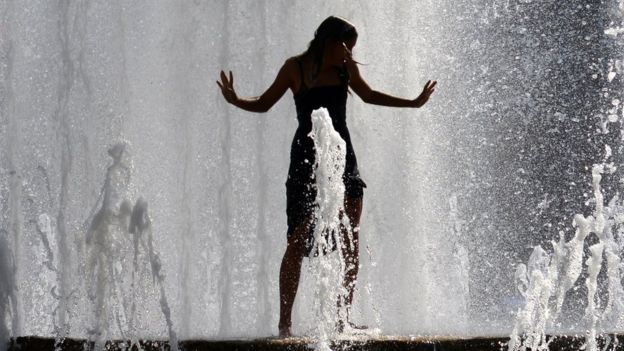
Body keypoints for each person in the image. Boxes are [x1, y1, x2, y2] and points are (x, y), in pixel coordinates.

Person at [217, 15, 436, 337]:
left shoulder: (345, 68)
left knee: (350, 239)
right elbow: (264, 103)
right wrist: (236, 100)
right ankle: (284, 324)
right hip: (306, 159)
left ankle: (342, 318)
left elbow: (370, 94)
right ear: (329, 41)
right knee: (297, 239)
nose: (349, 52)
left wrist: (414, 103)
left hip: (341, 156)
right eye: (345, 45)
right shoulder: (295, 67)